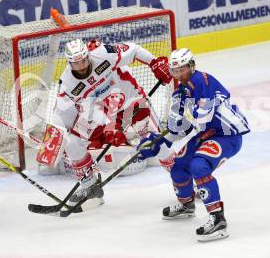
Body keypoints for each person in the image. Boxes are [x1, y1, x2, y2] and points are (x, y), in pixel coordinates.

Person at [137, 48, 250, 242]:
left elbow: (200, 120)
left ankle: (218, 220)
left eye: (182, 69)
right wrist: (156, 143)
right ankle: (187, 204)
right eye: (175, 71)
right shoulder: (180, 92)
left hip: (227, 135)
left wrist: (179, 120)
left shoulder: (204, 82)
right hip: (207, 134)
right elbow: (176, 129)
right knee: (179, 166)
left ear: (191, 65)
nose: (179, 74)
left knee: (199, 166)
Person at [51, 38, 172, 206]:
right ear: (69, 63)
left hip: (133, 104)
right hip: (101, 113)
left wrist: (154, 63)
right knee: (72, 143)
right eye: (76, 64)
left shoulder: (103, 54)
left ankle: (186, 183)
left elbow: (134, 49)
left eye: (84, 61)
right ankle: (90, 186)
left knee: (159, 145)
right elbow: (63, 116)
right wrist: (55, 137)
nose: (82, 66)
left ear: (88, 55)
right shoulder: (67, 84)